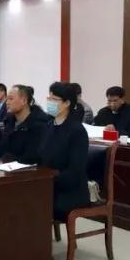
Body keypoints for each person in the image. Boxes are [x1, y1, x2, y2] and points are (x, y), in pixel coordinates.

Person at [41, 82, 91, 222]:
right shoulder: (48, 126)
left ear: (67, 103)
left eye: (54, 99)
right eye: (49, 98)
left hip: (70, 190)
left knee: (32, 202)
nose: (50, 102)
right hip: (48, 184)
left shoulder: (77, 130)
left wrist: (47, 181)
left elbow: (75, 171)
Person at [0, 85, 51, 164]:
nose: (7, 102)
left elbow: (32, 157)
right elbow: (1, 149)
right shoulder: (9, 121)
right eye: (7, 99)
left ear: (24, 101)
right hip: (5, 166)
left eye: (11, 99)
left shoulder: (40, 124)